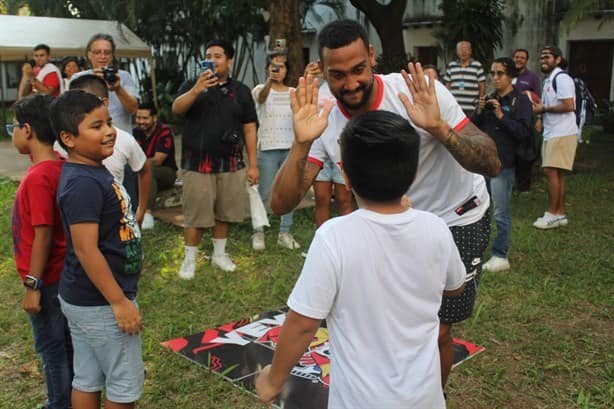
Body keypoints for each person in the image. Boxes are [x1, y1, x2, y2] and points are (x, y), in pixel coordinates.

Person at [270, 20, 500, 390]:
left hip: (455, 218)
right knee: (390, 330)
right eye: (338, 75)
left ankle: (432, 397)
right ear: (323, 72)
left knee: (436, 331)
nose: (350, 83)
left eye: (358, 69)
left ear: (372, 57)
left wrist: (439, 128)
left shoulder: (417, 93)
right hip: (386, 225)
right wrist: (300, 144)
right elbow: (281, 204)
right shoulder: (324, 116)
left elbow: (491, 162)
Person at [256, 110, 467, 408]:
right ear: (414, 172)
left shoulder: (334, 237)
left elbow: (303, 323)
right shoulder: (435, 228)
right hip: (425, 399)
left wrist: (272, 381)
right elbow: (454, 287)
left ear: (346, 176)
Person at [51, 90, 145, 409]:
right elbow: (86, 249)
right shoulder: (83, 184)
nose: (109, 131)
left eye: (109, 122)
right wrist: (119, 302)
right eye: (96, 126)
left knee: (87, 377)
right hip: (101, 303)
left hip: (85, 299)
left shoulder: (92, 170)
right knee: (122, 385)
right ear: (68, 138)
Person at [172, 39, 258, 276]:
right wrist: (197, 88)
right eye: (208, 55)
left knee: (225, 212)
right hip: (197, 162)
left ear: (229, 61)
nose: (212, 59)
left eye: (218, 55)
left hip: (231, 162)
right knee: (196, 214)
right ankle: (189, 259)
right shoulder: (192, 84)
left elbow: (250, 127)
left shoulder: (241, 91)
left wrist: (253, 164)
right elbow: (177, 110)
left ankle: (219, 255)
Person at [9, 94, 72, 409]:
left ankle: (59, 403)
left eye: (14, 127)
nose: (13, 133)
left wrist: (32, 284)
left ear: (28, 130)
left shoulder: (37, 177)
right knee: (67, 346)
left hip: (47, 281)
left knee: (52, 348)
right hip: (65, 276)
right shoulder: (61, 166)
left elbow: (44, 233)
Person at [472, 57, 532, 272]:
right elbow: (474, 128)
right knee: (481, 210)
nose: (495, 78)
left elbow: (524, 132)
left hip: (504, 164)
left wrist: (501, 115)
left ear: (510, 77)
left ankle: (500, 255)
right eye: (493, 73)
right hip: (484, 164)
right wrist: (480, 110)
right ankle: (478, 249)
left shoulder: (520, 101)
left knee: (500, 212)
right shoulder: (490, 98)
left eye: (500, 74)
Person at [67, 74, 152, 227]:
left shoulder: (124, 139)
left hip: (116, 225)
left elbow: (144, 169)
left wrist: (140, 212)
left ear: (104, 103)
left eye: (85, 103)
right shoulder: (67, 140)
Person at [74, 33, 141, 205]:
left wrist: (117, 88)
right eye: (97, 52)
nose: (102, 56)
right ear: (89, 54)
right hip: (89, 149)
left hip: (120, 146)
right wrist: (93, 84)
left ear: (112, 55)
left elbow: (133, 109)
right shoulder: (78, 79)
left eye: (107, 52)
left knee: (126, 199)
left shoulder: (123, 76)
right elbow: (72, 112)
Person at [250, 54, 301, 250]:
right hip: (267, 149)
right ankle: (258, 233)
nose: (278, 70)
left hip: (290, 148)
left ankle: (285, 232)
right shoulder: (260, 90)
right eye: (274, 66)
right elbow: (262, 98)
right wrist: (270, 81)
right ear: (268, 69)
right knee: (263, 193)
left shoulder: (293, 92)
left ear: (287, 70)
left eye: (281, 67)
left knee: (289, 193)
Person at [531, 45, 578, 229]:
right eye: (542, 57)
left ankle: (553, 214)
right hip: (553, 132)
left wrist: (543, 109)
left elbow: (569, 105)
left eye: (547, 57)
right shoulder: (549, 80)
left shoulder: (562, 78)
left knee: (551, 172)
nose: (543, 60)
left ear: (558, 59)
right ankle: (559, 214)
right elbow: (548, 104)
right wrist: (541, 116)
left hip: (562, 132)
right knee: (556, 173)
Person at [303, 61, 354, 228]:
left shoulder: (345, 87)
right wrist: (307, 78)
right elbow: (301, 108)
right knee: (321, 199)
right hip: (319, 152)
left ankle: (349, 244)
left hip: (342, 151)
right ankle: (322, 243)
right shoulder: (315, 87)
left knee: (343, 200)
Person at [133, 102, 177, 230]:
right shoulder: (136, 132)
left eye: (145, 118)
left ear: (154, 118)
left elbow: (158, 160)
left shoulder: (164, 131)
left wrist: (138, 163)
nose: (141, 122)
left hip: (166, 172)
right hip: (142, 169)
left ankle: (147, 214)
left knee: (148, 169)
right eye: (138, 118)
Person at [512, 48, 541, 192]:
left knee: (525, 152)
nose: (519, 59)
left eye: (522, 57)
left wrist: (539, 119)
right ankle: (511, 182)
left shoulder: (532, 77)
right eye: (517, 57)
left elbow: (538, 99)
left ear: (526, 61)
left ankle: (524, 186)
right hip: (510, 118)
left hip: (527, 118)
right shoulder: (509, 75)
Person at [443, 41, 486, 116]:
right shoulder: (451, 66)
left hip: (472, 108)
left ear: (470, 51)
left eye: (466, 49)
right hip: (455, 108)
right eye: (461, 49)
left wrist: (480, 104)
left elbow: (482, 86)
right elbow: (447, 86)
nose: (464, 52)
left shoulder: (477, 65)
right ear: (457, 52)